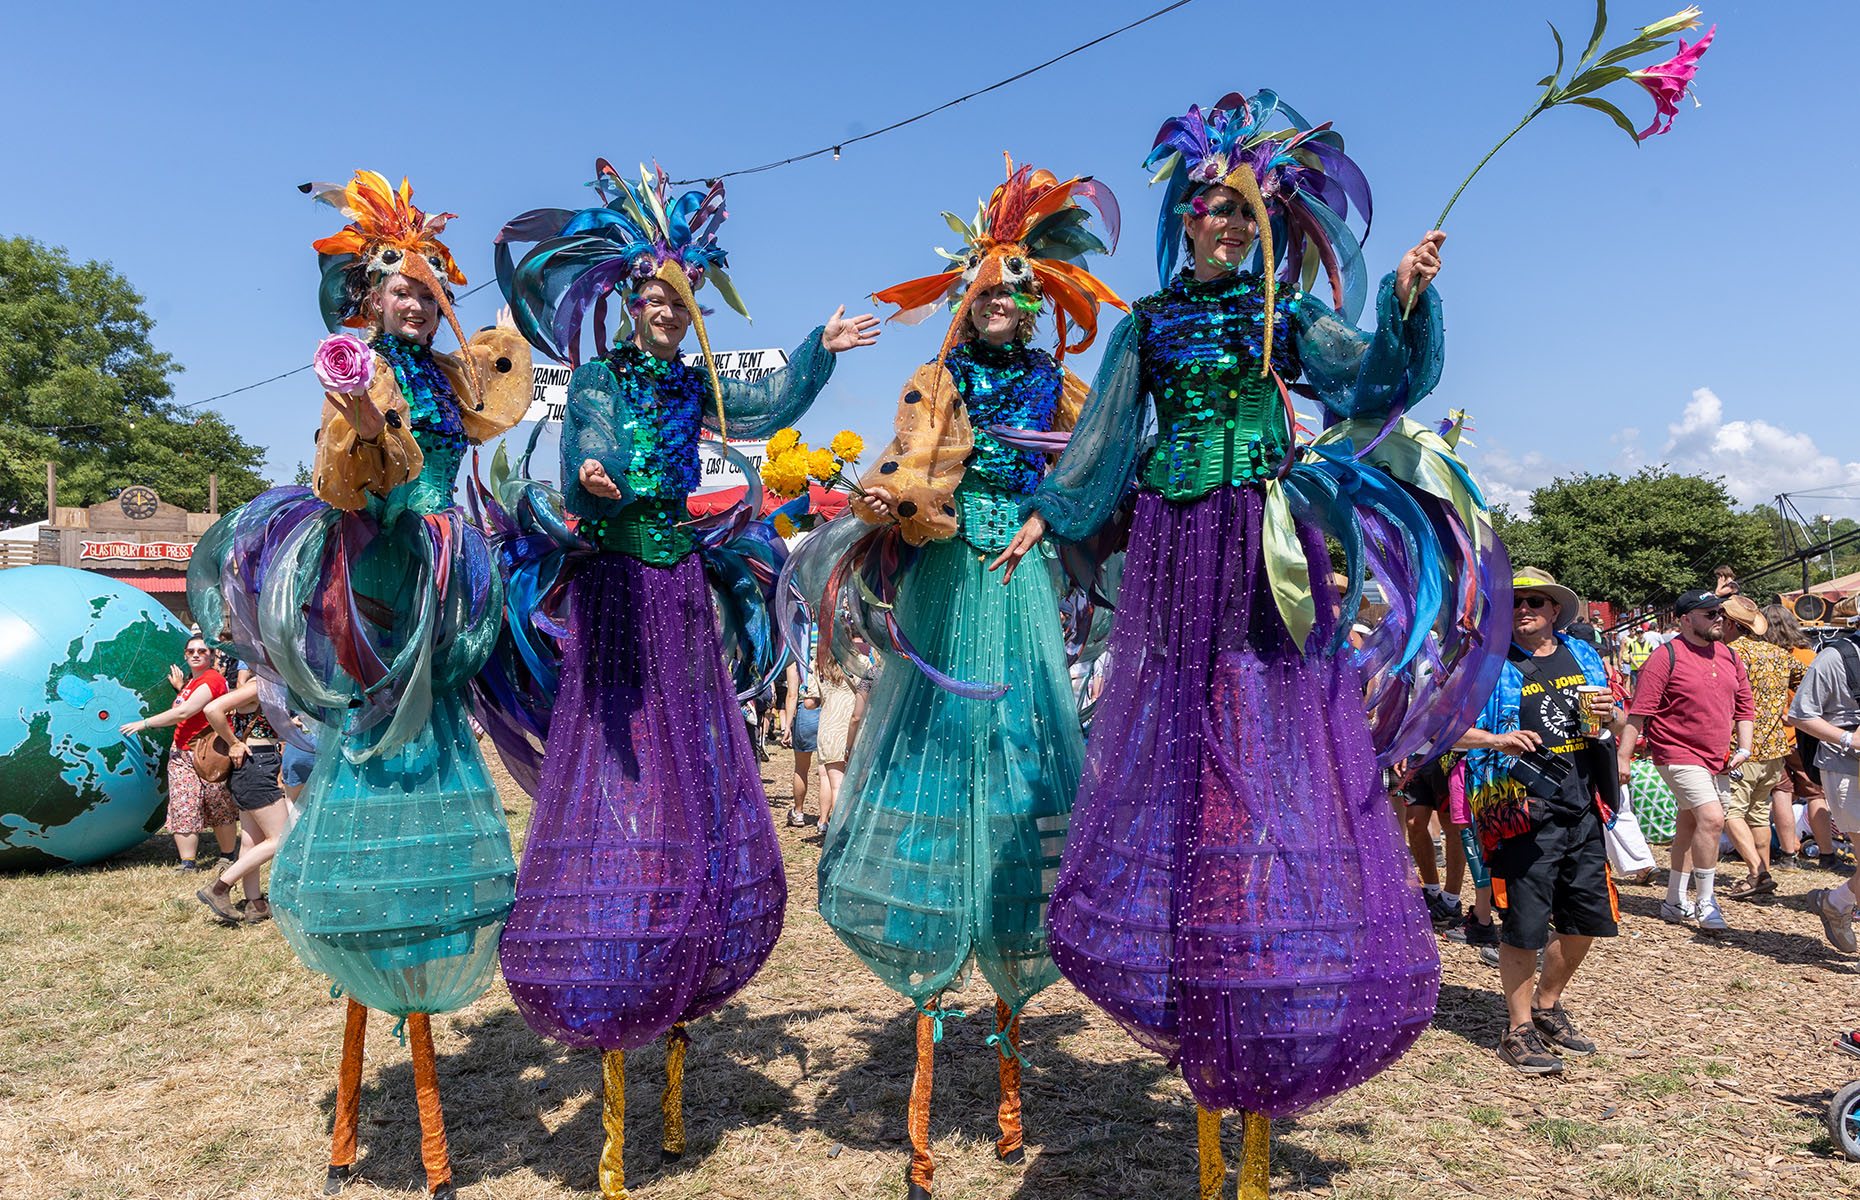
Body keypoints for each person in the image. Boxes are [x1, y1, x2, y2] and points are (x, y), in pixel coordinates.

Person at [993, 91, 1507, 1186]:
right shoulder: (1148, 322)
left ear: (1264, 224)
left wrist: (1410, 300)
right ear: (1185, 217)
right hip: (1177, 551)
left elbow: (1374, 379)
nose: (1226, 228)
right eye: (1212, 212)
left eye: (1244, 215)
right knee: (1180, 742)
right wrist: (1050, 511)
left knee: (1266, 740)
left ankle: (1275, 960)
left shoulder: (1283, 318)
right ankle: (1193, 958)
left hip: (1265, 551)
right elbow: (1101, 441)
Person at [489, 160, 879, 1195]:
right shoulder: (609, 379)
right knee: (625, 764)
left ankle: (683, 941)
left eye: (678, 299)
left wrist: (821, 353)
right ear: (630, 304)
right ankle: (618, 926)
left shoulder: (695, 376)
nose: (665, 311)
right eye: (651, 299)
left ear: (692, 305)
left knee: (689, 765)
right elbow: (585, 442)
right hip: (619, 581)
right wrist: (592, 474)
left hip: (679, 591)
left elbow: (768, 396)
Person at [187, 171, 532, 1199]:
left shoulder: (447, 378)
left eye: (428, 287)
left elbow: (496, 399)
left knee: (423, 805)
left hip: (441, 590)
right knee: (364, 804)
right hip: (372, 592)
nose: (416, 300)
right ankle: (362, 1105)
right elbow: (353, 472)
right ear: (362, 301)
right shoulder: (359, 374)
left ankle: (410, 1108)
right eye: (396, 286)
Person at [804, 158, 1118, 1196]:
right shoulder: (937, 380)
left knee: (1021, 772)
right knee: (941, 760)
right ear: (966, 300)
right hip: (946, 579)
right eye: (990, 291)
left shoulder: (1060, 385)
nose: (1008, 303)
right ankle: (934, 1039)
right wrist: (897, 499)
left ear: (1043, 304)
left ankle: (1014, 1059)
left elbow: (1090, 467)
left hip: (1018, 579)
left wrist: (1047, 517)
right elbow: (909, 460)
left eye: (1024, 291)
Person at [1459, 568, 1622, 1075]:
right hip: (1520, 808)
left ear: (1555, 611)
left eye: (1536, 601)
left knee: (1589, 920)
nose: (1525, 608)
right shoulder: (1485, 663)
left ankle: (1548, 1006)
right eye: (1516, 601)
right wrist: (1494, 740)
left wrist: (1611, 714)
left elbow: (1612, 720)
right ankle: (1518, 1027)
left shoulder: (1585, 655)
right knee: (1524, 925)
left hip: (1582, 803)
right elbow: (1443, 729)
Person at [1617, 589, 1754, 933]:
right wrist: (1624, 758)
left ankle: (1675, 900)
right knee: (1712, 818)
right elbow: (1640, 713)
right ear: (1685, 620)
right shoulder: (1665, 657)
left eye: (1719, 613)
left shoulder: (1729, 657)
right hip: (1676, 752)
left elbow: (1745, 706)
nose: (1718, 619)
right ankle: (1706, 903)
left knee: (1690, 824)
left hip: (1718, 758)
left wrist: (1745, 748)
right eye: (1709, 614)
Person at [118, 635, 236, 871]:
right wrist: (181, 687)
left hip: (208, 752)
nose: (195, 654)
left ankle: (228, 856)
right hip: (181, 752)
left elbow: (186, 712)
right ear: (184, 655)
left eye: (202, 651)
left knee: (218, 804)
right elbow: (190, 704)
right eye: (191, 650)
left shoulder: (212, 679)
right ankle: (188, 862)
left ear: (212, 655)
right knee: (184, 804)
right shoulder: (194, 682)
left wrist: (145, 723)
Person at [1719, 597, 1803, 897]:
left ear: (1730, 623)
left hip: (1739, 748)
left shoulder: (1726, 654)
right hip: (1776, 748)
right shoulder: (1779, 655)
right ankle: (1760, 880)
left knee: (1730, 811)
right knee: (1757, 815)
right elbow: (1805, 682)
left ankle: (1759, 872)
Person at [194, 677, 289, 925]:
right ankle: (219, 887)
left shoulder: (270, 684)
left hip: (253, 766)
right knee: (281, 838)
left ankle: (255, 904)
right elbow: (212, 709)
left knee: (251, 841)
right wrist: (233, 742)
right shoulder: (260, 684)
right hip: (256, 765)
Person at [1793, 628, 1860, 951]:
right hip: (1845, 768)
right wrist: (1848, 738)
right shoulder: (1836, 657)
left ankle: (1835, 901)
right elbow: (1800, 714)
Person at [812, 648, 866, 834]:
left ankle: (827, 824)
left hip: (828, 730)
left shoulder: (818, 664)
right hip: (852, 729)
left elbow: (809, 703)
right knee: (845, 784)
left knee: (831, 781)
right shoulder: (862, 663)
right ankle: (841, 830)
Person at [782, 658, 821, 826]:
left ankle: (798, 812)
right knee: (827, 771)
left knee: (801, 768)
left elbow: (792, 694)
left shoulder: (796, 658)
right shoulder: (829, 651)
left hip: (806, 714)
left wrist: (787, 726)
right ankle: (824, 819)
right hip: (830, 711)